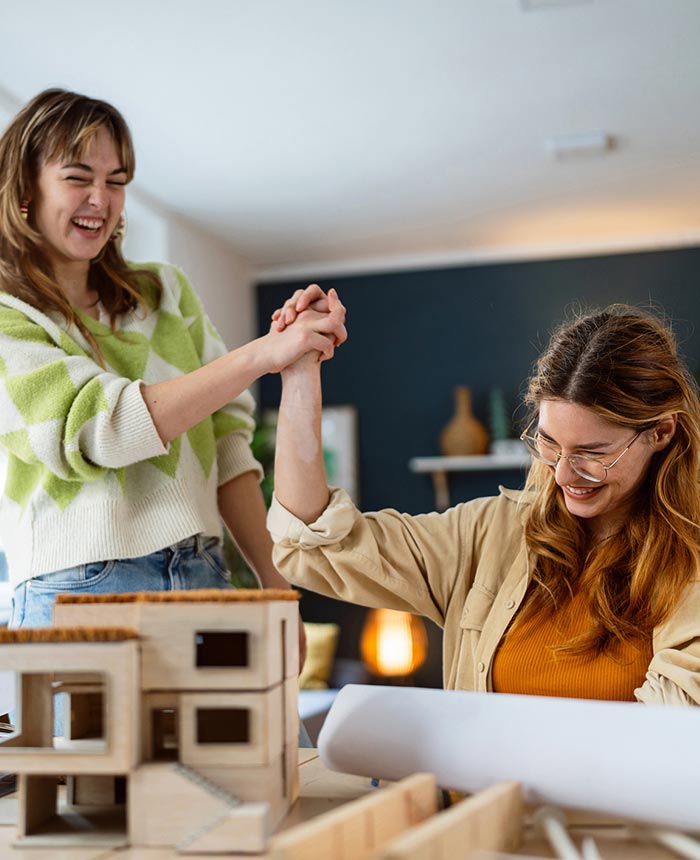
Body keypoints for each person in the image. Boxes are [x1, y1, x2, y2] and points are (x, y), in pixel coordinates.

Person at [0, 88, 346, 647]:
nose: (101, 199)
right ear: (23, 187)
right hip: (72, 595)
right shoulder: (6, 315)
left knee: (239, 738)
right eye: (78, 177)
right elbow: (101, 428)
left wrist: (275, 586)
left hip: (203, 576)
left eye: (116, 181)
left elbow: (229, 445)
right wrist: (261, 354)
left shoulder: (165, 293)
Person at [269, 289, 700, 705]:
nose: (564, 473)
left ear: (661, 432)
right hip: (487, 786)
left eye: (593, 453)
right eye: (549, 443)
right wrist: (301, 371)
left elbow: (673, 739)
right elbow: (318, 542)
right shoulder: (490, 533)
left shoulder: (690, 560)